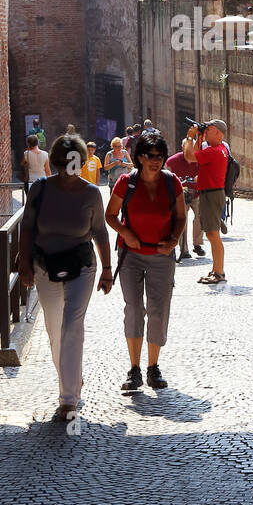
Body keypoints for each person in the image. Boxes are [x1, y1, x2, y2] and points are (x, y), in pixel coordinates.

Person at [18, 134, 113, 420]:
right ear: (59, 163)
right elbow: (27, 227)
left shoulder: (91, 193)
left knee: (72, 325)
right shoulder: (40, 190)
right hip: (46, 266)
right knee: (54, 329)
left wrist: (107, 270)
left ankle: (68, 399)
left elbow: (100, 232)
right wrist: (24, 263)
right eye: (66, 162)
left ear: (82, 163)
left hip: (81, 266)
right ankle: (71, 379)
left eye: (76, 161)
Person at [106, 132, 186, 391]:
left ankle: (153, 367)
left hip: (162, 256)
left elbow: (181, 216)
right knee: (133, 309)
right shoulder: (126, 183)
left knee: (158, 310)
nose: (155, 161)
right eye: (150, 156)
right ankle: (134, 369)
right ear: (139, 157)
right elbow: (111, 215)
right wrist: (126, 233)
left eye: (160, 156)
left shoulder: (171, 183)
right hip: (130, 257)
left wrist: (174, 238)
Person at [184, 120, 229, 285]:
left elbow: (189, 156)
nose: (207, 132)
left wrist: (189, 137)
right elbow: (197, 157)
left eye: (209, 130)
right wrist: (199, 139)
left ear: (218, 133)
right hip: (212, 193)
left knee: (212, 234)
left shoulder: (215, 151)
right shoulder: (219, 149)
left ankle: (219, 272)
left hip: (211, 194)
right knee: (211, 233)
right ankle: (216, 269)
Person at [167, 145, 204, 259]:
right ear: (183, 148)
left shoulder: (198, 160)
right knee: (182, 220)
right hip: (181, 194)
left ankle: (197, 243)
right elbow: (166, 176)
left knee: (200, 216)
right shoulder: (173, 161)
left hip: (196, 193)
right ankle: (184, 248)